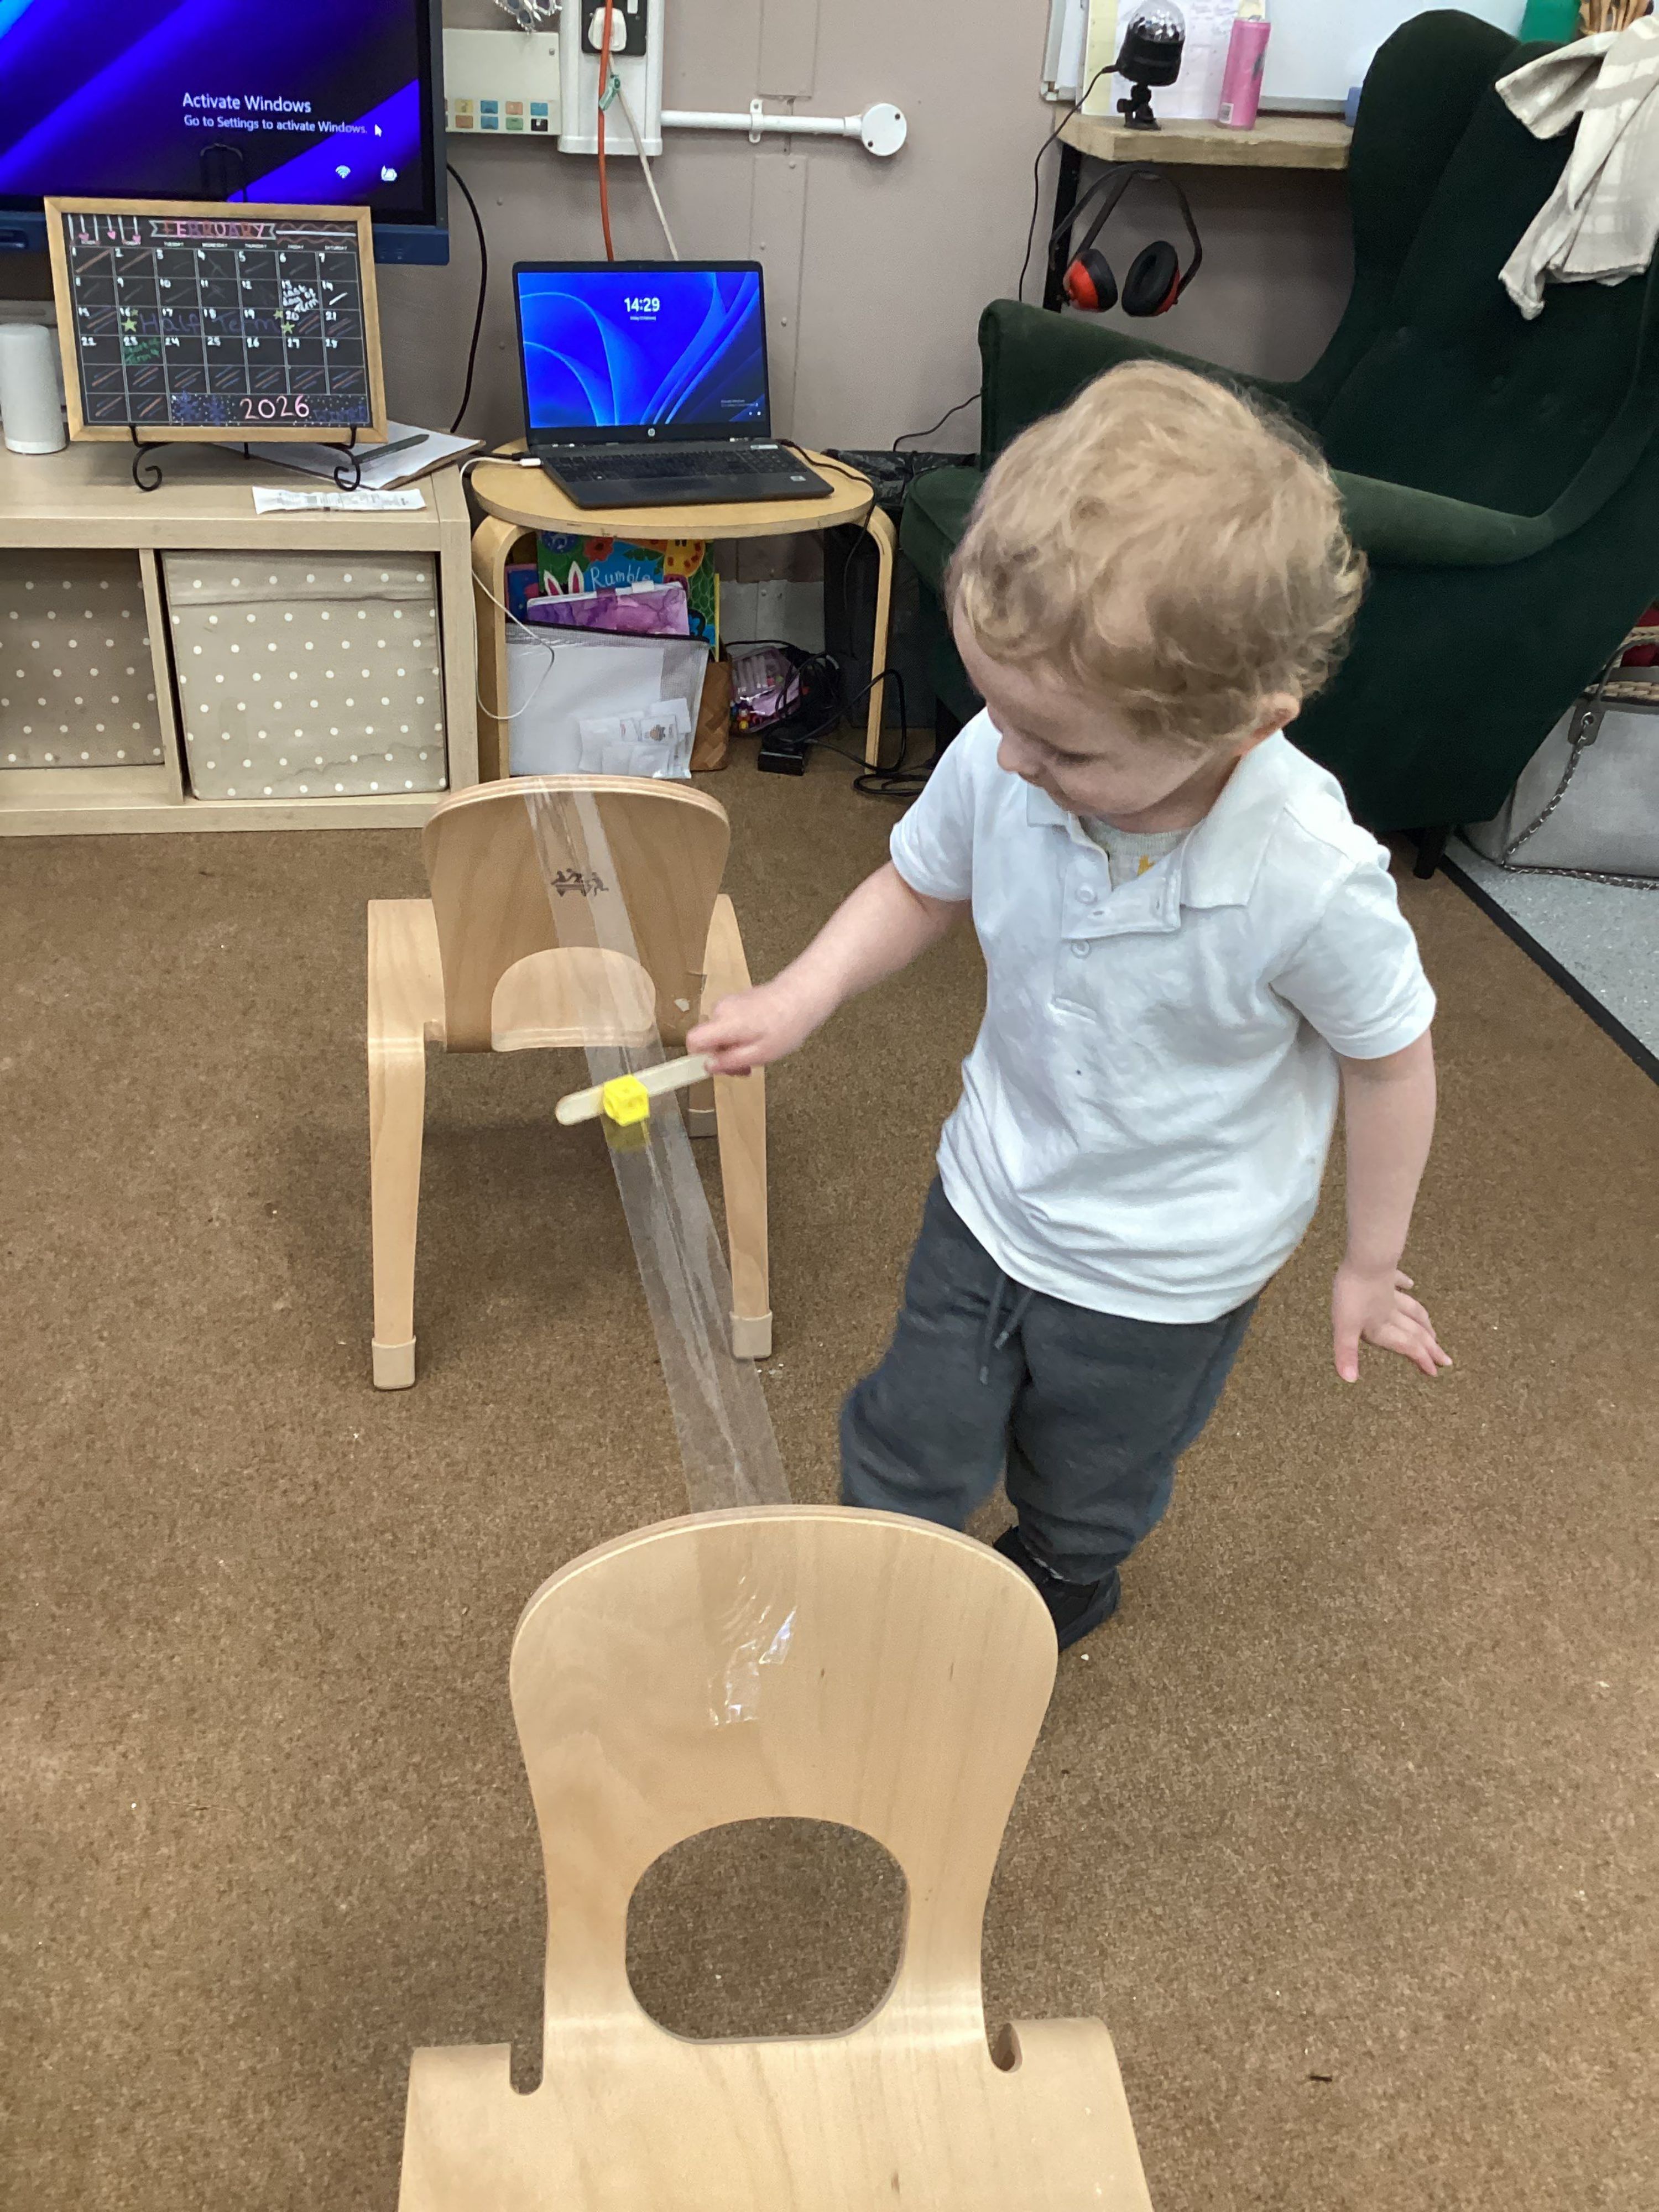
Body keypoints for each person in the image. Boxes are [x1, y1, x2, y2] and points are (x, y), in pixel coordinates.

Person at [690, 361, 1449, 1649]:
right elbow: (920, 882)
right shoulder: (1010, 753)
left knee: (1094, 1469)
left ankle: (1068, 1566)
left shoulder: (1311, 876)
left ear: (1247, 725)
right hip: (993, 1191)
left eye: (1065, 747)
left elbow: (1391, 1060)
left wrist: (1370, 1263)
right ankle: (881, 1561)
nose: (1011, 758)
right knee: (913, 1425)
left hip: (1169, 1267)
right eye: (999, 711)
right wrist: (801, 994)